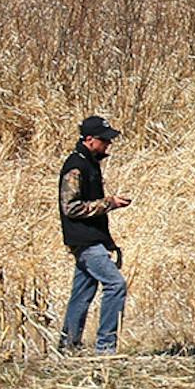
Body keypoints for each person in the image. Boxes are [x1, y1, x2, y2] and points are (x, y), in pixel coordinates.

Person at [59, 114, 132, 354]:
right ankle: (105, 348)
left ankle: (68, 346)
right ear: (89, 139)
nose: (107, 145)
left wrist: (108, 241)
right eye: (104, 141)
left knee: (83, 292)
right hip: (84, 241)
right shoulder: (76, 166)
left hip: (91, 239)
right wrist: (109, 203)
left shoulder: (89, 163)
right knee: (115, 284)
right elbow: (70, 207)